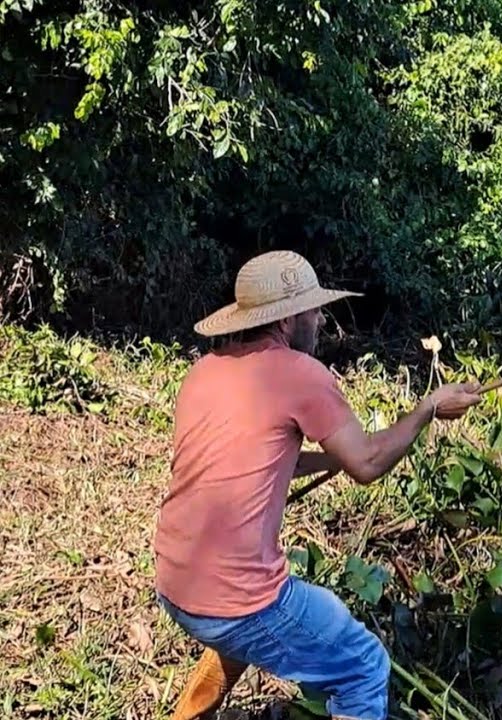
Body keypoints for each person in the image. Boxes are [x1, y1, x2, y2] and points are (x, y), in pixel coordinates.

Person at [153, 250, 482, 720]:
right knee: (363, 666)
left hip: (175, 582)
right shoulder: (300, 374)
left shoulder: (205, 370)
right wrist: (429, 407)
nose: (321, 318)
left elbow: (255, 456)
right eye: (313, 308)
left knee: (242, 631)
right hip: (231, 599)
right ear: (287, 321)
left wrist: (336, 454)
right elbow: (367, 464)